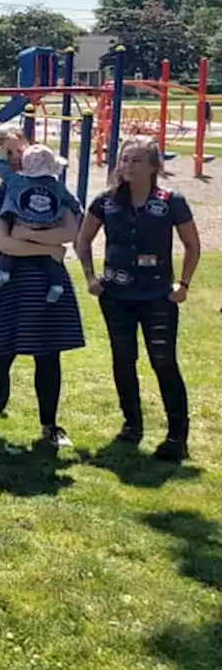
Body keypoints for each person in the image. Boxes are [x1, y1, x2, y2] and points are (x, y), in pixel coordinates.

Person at [76, 137, 200, 462]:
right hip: (116, 295)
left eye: (137, 160)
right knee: (123, 358)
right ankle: (132, 424)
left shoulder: (171, 201)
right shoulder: (105, 201)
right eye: (125, 159)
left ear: (154, 167)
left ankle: (177, 436)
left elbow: (192, 245)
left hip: (158, 295)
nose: (128, 166)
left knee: (163, 361)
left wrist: (183, 284)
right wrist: (91, 277)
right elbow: (83, 241)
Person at [0, 126, 85, 446]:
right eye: (9, 152)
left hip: (46, 284)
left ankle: (50, 427)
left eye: (21, 149)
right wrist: (48, 248)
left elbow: (70, 231)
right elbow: (3, 242)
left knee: (48, 357)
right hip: (9, 283)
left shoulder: (52, 187)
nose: (17, 157)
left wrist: (28, 235)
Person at [0, 143, 83, 304]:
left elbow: (2, 170)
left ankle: (5, 271)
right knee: (51, 261)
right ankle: (56, 284)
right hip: (48, 225)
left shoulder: (17, 181)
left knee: (11, 251)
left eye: (18, 151)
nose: (14, 156)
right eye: (10, 152)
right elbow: (73, 204)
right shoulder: (57, 187)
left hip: (23, 225)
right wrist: (78, 211)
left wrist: (1, 157)